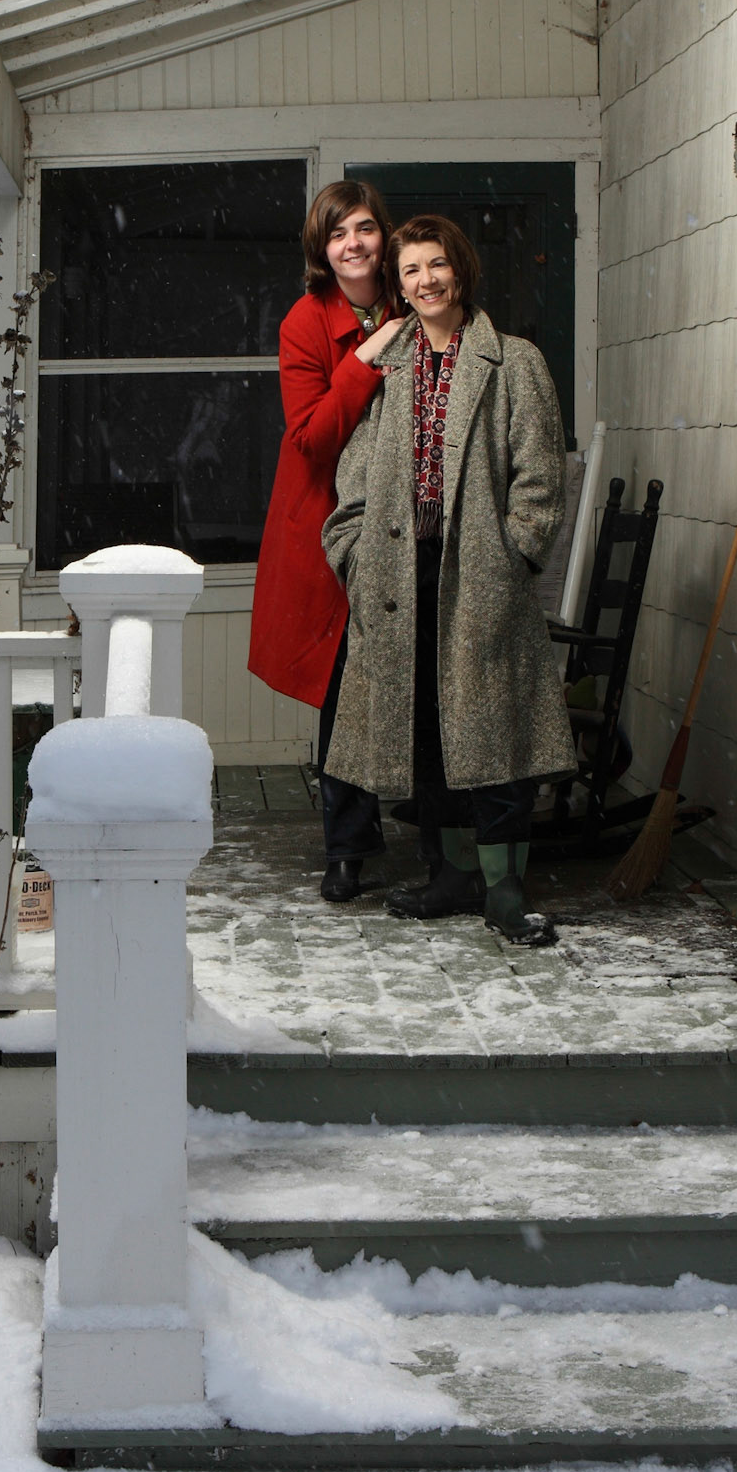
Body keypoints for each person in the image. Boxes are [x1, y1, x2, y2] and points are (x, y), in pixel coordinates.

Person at [321, 215, 573, 948]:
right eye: (410, 272)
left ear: (459, 271)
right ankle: (450, 873)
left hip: (481, 574)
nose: (425, 280)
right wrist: (354, 557)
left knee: (494, 737)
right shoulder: (390, 368)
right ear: (398, 287)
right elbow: (353, 481)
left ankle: (503, 890)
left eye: (436, 266)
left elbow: (540, 477)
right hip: (402, 575)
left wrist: (514, 555)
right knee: (425, 734)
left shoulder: (512, 361)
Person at [248, 179, 406, 902]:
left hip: (410, 522)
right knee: (347, 690)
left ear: (385, 235)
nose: (354, 244)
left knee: (419, 679)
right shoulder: (306, 323)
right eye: (338, 233)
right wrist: (367, 353)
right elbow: (310, 438)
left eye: (365, 229)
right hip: (332, 531)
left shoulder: (416, 297)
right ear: (322, 248)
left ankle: (438, 835)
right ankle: (346, 846)